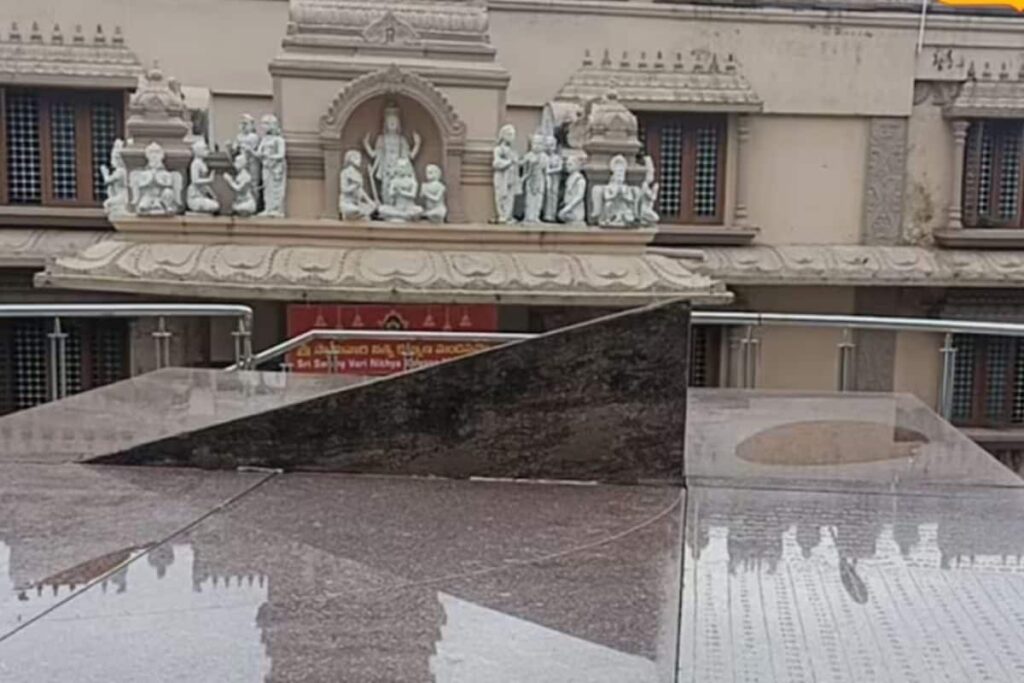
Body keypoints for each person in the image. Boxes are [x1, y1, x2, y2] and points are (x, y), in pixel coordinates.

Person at [363, 102, 420, 206]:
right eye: (390, 122)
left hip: (399, 169)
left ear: (398, 124)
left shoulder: (401, 140)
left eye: (394, 122)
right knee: (386, 188)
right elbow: (374, 155)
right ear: (385, 124)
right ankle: (387, 205)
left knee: (398, 188)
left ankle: (398, 206)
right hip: (386, 168)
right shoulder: (382, 139)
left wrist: (417, 144)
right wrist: (366, 144)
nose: (392, 124)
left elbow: (410, 156)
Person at [492, 124, 519, 224]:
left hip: (511, 177)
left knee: (510, 197)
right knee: (501, 196)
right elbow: (496, 163)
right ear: (503, 135)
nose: (513, 137)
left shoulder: (513, 151)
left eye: (513, 134)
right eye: (510, 134)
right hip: (502, 177)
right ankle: (502, 215)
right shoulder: (498, 149)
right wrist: (509, 162)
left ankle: (508, 215)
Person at [339, 149, 377, 221]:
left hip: (357, 203)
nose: (359, 160)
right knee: (355, 210)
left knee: (371, 209)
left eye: (359, 158)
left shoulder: (358, 174)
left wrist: (370, 201)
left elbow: (361, 190)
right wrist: (354, 186)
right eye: (356, 158)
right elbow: (343, 189)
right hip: (347, 202)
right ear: (350, 159)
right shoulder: (345, 172)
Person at [223, 152, 257, 216]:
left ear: (242, 163)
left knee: (237, 208)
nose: (235, 164)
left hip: (247, 202)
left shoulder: (247, 176)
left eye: (237, 162)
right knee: (233, 208)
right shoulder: (239, 175)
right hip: (238, 202)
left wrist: (229, 180)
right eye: (235, 162)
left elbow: (238, 189)